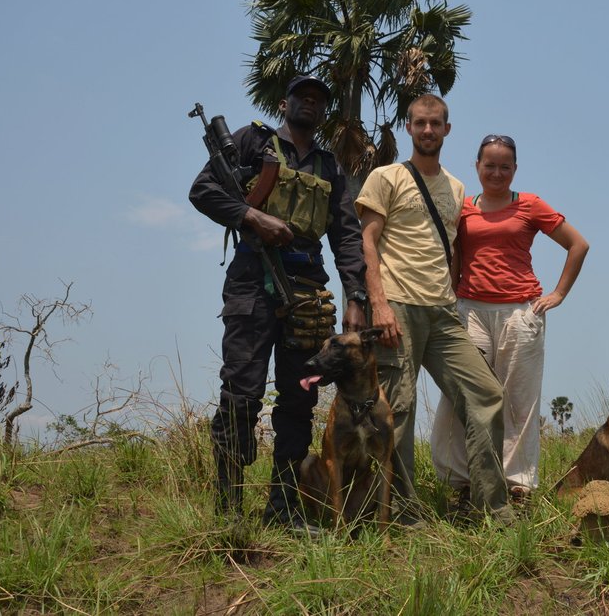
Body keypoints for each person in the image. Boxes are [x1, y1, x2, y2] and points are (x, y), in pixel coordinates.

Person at [190, 74, 367, 535]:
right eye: (302, 97)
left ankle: (283, 510)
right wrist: (251, 215)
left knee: (299, 399)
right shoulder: (252, 142)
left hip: (307, 292)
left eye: (318, 100)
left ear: (323, 111)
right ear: (284, 103)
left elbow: (347, 236)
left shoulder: (329, 167)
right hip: (252, 283)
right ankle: (228, 510)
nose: (309, 104)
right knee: (240, 396)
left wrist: (356, 298)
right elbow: (203, 191)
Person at [354, 94, 516, 525]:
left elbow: (450, 251)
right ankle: (402, 516)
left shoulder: (457, 187)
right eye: (420, 123)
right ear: (408, 127)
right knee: (399, 411)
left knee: (486, 394)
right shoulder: (385, 177)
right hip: (398, 307)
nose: (428, 130)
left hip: (443, 311)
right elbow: (367, 242)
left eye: (436, 123)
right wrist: (379, 305)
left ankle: (493, 510)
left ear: (447, 129)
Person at [430, 134, 589, 503]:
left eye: (505, 166)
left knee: (519, 401)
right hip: (470, 311)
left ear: (515, 169)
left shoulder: (530, 205)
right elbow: (453, 254)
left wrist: (558, 294)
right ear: (477, 166)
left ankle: (516, 485)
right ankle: (462, 483)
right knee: (462, 397)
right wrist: (450, 298)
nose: (497, 173)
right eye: (490, 165)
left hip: (521, 312)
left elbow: (577, 244)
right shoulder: (463, 207)